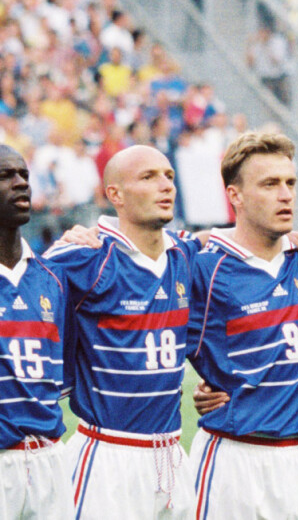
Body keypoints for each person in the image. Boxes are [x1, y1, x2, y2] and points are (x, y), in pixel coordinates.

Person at [44, 145, 203, 519]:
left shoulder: (183, 252)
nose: (165, 186)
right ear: (115, 194)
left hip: (172, 455)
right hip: (108, 454)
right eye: (148, 177)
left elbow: (223, 241)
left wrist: (290, 238)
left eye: (169, 176)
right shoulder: (86, 256)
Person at [186, 130, 298, 519]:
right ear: (236, 196)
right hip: (236, 459)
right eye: (270, 184)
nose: (286, 195)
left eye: (290, 183)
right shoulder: (205, 268)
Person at [0, 144, 74, 519]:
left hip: (50, 460)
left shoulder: (53, 279)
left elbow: (62, 375)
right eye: (5, 176)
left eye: (24, 175)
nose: (20, 184)